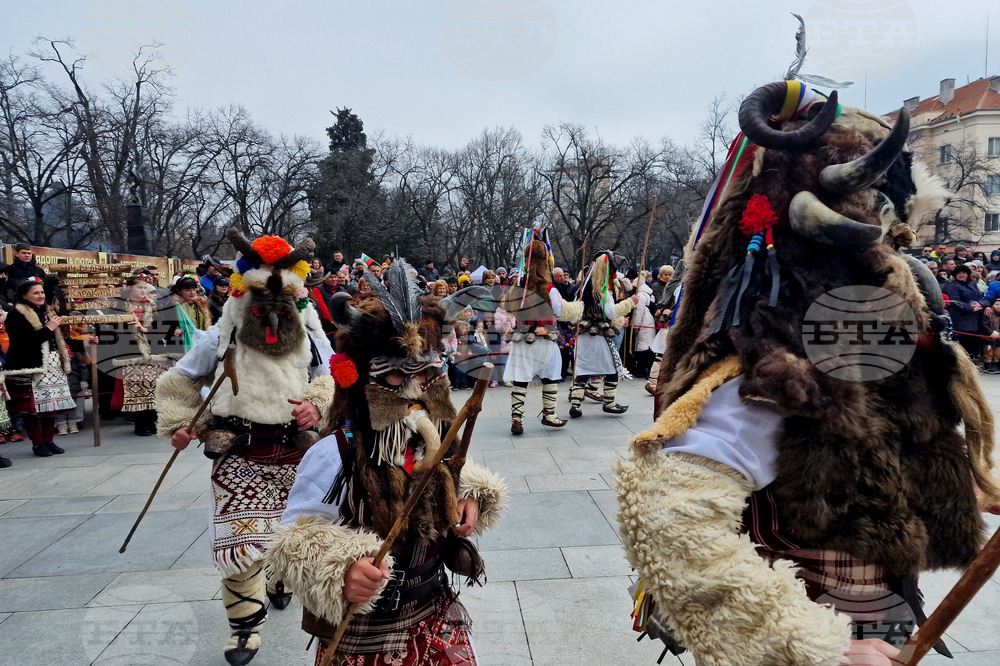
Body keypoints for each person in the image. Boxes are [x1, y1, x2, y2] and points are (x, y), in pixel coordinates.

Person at [617, 80, 995, 666]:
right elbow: (668, 521)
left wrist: (963, 488)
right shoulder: (775, 374)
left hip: (882, 615)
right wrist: (817, 645)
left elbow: (864, 462)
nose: (908, 269)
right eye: (890, 244)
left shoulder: (868, 354)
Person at [264, 259, 508, 666]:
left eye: (427, 373)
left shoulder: (434, 439)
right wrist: (340, 569)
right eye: (396, 377)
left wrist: (470, 493)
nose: (415, 389)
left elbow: (440, 474)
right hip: (367, 631)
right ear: (361, 377)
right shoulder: (334, 453)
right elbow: (293, 539)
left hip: (435, 612)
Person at [155, 229, 336, 665]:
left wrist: (318, 405)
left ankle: (281, 578)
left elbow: (333, 377)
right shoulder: (220, 337)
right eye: (260, 295)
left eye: (283, 298)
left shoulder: (311, 336)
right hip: (238, 453)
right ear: (242, 293)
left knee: (295, 537)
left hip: (298, 454)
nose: (271, 310)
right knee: (242, 543)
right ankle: (244, 629)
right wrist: (181, 424)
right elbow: (178, 380)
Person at [498, 232, 582, 434]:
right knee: (551, 377)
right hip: (545, 340)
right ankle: (549, 414)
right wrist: (578, 307)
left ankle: (517, 419)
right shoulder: (550, 288)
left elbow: (506, 306)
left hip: (522, 341)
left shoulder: (518, 287)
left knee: (520, 379)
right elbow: (560, 312)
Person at [3, 278, 75, 457]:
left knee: (49, 407)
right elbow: (23, 342)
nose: (41, 296)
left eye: (42, 292)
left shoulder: (48, 312)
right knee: (34, 410)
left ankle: (49, 441)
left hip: (52, 364)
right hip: (31, 365)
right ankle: (37, 443)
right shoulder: (16, 314)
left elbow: (58, 339)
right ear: (24, 295)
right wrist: (48, 329)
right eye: (36, 292)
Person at [567, 252, 637, 418]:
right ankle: (609, 403)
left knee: (583, 370)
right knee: (612, 369)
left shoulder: (582, 291)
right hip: (599, 336)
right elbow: (611, 313)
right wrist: (631, 302)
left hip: (584, 336)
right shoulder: (603, 292)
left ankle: (575, 405)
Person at [944, 264, 989, 361]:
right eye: (959, 273)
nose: (961, 275)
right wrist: (971, 308)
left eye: (963, 273)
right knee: (965, 340)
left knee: (974, 341)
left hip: (975, 317)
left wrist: (980, 304)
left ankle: (973, 358)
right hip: (961, 317)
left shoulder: (972, 284)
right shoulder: (953, 286)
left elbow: (981, 297)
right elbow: (955, 301)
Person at [629, 271, 656, 379]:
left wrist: (636, 326)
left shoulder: (640, 296)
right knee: (645, 345)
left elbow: (638, 313)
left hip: (643, 322)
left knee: (644, 346)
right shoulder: (647, 294)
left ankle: (648, 370)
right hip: (648, 321)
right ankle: (644, 370)